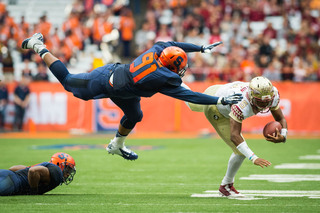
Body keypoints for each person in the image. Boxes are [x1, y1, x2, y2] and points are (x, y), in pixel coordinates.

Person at [21, 33, 243, 161]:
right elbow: (191, 96)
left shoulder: (159, 50)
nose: (182, 71)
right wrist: (218, 100)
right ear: (169, 66)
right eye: (180, 67)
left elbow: (174, 44)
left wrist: (200, 48)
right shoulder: (162, 77)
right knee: (70, 84)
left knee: (135, 114)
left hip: (126, 86)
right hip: (107, 78)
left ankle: (117, 144)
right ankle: (38, 45)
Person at [184, 76, 287, 197]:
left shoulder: (272, 94)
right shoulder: (241, 103)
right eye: (260, 102)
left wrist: (283, 135)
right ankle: (226, 186)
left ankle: (176, 82)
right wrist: (253, 158)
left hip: (219, 89)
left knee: (192, 104)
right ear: (252, 97)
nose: (264, 106)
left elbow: (280, 118)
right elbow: (235, 136)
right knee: (240, 151)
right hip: (216, 109)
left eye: (267, 102)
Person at [0, 152, 76, 196]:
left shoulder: (46, 167)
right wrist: (34, 191)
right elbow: (33, 171)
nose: (68, 174)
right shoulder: (53, 172)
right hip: (12, 182)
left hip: (6, 174)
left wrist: (25, 171)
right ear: (59, 164)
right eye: (68, 169)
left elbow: (12, 168)